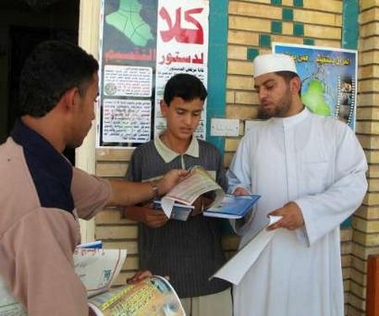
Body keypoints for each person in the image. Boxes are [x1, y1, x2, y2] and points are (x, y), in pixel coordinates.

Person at [0, 40, 187, 316]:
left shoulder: (23, 156)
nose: (93, 115)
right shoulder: (43, 205)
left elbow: (106, 192)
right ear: (73, 99)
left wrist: (159, 186)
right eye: (94, 100)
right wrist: (137, 305)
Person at [227, 54, 368, 316]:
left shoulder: (334, 133)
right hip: (262, 261)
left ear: (294, 85)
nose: (262, 95)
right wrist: (239, 198)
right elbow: (237, 183)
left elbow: (354, 184)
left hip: (312, 259)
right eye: (258, 89)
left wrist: (305, 211)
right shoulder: (253, 139)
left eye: (269, 86)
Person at [124, 73, 232, 316]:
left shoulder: (210, 155)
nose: (188, 122)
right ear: (164, 108)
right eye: (181, 112)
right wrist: (144, 215)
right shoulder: (144, 156)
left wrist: (204, 205)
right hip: (161, 281)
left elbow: (224, 203)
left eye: (196, 113)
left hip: (211, 278)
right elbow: (124, 205)